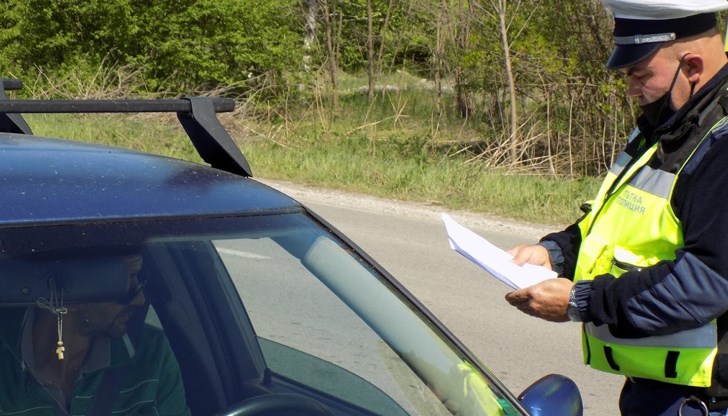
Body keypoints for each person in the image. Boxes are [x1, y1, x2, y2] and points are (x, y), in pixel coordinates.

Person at [503, 0, 728, 415]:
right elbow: (612, 221)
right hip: (657, 392)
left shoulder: (721, 143)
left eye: (640, 75)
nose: (631, 89)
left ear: (693, 67)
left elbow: (708, 281)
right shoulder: (665, 124)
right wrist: (555, 254)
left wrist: (582, 301)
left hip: (703, 404)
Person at [0, 252, 191, 415]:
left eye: (140, 282)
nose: (140, 300)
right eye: (124, 287)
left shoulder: (152, 355)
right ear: (71, 294)